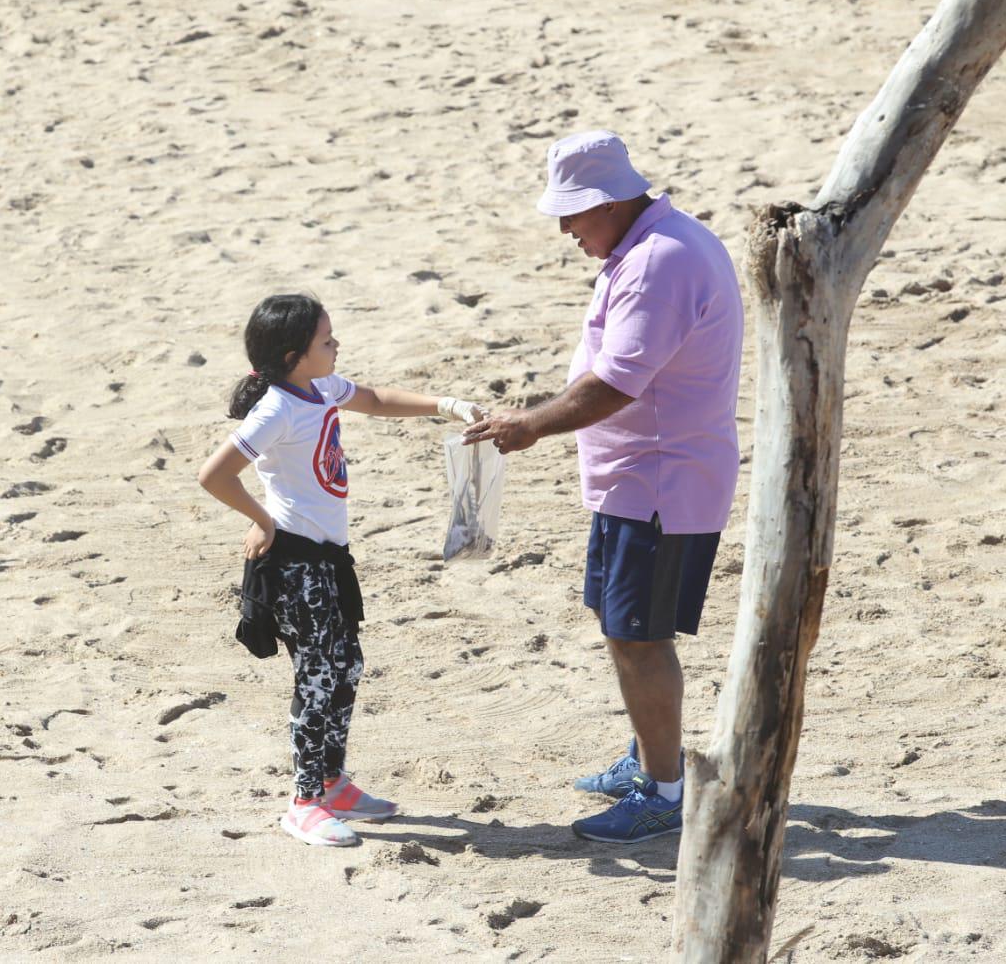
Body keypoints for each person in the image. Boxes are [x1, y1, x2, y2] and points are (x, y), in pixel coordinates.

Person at [463, 130, 743, 844]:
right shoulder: (655, 243)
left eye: (575, 213)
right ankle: (653, 759)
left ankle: (664, 793)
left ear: (615, 201)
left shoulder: (661, 262)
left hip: (660, 484)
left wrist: (529, 425)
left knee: (638, 638)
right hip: (640, 481)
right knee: (625, 629)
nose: (565, 229)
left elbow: (617, 382)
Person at [198, 294, 485, 847]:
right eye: (326, 342)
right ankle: (303, 803)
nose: (336, 347)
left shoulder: (321, 388)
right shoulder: (276, 409)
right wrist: (262, 519)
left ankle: (331, 782)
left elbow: (376, 400)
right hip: (294, 562)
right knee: (318, 676)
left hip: (330, 558)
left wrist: (447, 404)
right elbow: (214, 475)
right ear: (293, 356)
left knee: (347, 666)